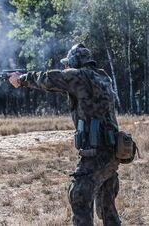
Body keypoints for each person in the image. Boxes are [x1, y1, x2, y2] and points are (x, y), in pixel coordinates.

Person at [8, 43, 121, 226]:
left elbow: (48, 79)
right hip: (113, 151)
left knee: (79, 197)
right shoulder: (103, 77)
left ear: (75, 62)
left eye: (69, 64)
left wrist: (21, 79)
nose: (66, 67)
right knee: (107, 207)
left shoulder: (80, 76)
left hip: (95, 153)